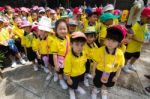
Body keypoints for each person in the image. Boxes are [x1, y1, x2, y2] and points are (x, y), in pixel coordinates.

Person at [91, 25, 126, 99]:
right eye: (108, 39)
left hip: (111, 73)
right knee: (97, 82)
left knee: (107, 83)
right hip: (100, 71)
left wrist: (116, 76)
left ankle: (104, 90)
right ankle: (96, 89)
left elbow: (120, 66)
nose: (110, 43)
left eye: (114, 41)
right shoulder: (100, 50)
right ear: (105, 39)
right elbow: (95, 62)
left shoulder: (120, 53)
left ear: (119, 43)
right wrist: (93, 72)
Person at [123, 7, 150, 73]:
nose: (148, 20)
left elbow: (145, 33)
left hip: (138, 46)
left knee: (136, 56)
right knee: (127, 56)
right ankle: (125, 66)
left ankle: (130, 65)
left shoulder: (145, 25)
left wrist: (147, 36)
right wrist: (141, 41)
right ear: (141, 17)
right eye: (148, 18)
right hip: (132, 45)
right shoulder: (136, 25)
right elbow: (131, 36)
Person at [64, 31, 87, 99]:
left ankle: (76, 87)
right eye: (77, 44)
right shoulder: (69, 57)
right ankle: (71, 90)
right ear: (71, 44)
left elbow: (84, 59)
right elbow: (67, 69)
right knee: (71, 84)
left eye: (82, 45)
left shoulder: (83, 52)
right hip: (73, 75)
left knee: (77, 82)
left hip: (81, 72)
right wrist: (68, 79)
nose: (80, 47)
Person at [51, 19, 69, 89]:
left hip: (67, 59)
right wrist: (56, 65)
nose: (62, 31)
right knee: (60, 71)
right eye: (60, 29)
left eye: (64, 29)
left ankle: (63, 76)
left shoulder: (67, 37)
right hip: (59, 60)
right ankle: (61, 80)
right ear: (56, 30)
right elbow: (54, 54)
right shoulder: (55, 41)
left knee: (66, 69)